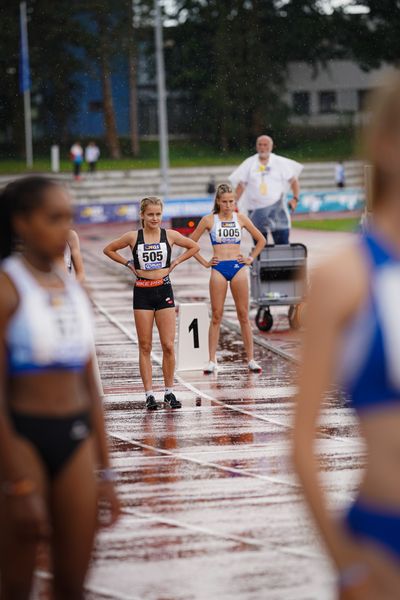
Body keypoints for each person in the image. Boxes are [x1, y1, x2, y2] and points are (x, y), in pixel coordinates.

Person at [293, 75, 400, 599]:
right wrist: (346, 566)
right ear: (384, 145)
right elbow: (300, 443)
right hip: (384, 541)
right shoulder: (346, 278)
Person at [0, 176, 120, 599]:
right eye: (53, 218)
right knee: (16, 584)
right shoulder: (7, 289)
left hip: (75, 440)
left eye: (67, 217)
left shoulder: (75, 291)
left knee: (73, 584)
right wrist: (15, 481)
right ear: (22, 223)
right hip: (22, 439)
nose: (63, 228)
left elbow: (90, 386)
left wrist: (106, 470)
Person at [103, 196, 199, 411]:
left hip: (164, 289)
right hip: (143, 293)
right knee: (145, 346)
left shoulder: (170, 235)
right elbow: (108, 249)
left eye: (158, 214)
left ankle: (169, 391)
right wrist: (128, 263)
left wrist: (175, 263)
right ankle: (148, 394)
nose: (155, 218)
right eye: (150, 214)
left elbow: (193, 247)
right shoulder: (133, 237)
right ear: (142, 216)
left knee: (168, 345)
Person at [190, 183, 266, 374]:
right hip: (219, 269)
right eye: (224, 202)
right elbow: (190, 244)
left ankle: (251, 359)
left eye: (231, 201)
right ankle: (211, 360)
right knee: (216, 315)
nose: (228, 205)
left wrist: (250, 258)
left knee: (243, 315)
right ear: (218, 201)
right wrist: (205, 262)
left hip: (237, 267)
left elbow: (261, 239)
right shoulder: (209, 220)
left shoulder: (240, 218)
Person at [229, 135, 303, 244]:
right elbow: (241, 185)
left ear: (271, 147)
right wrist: (233, 203)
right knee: (260, 245)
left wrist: (295, 198)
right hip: (255, 210)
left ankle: (281, 261)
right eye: (260, 144)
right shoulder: (249, 163)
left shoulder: (279, 162)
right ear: (256, 146)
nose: (262, 147)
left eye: (265, 145)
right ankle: (261, 261)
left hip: (277, 210)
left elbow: (294, 181)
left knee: (282, 243)